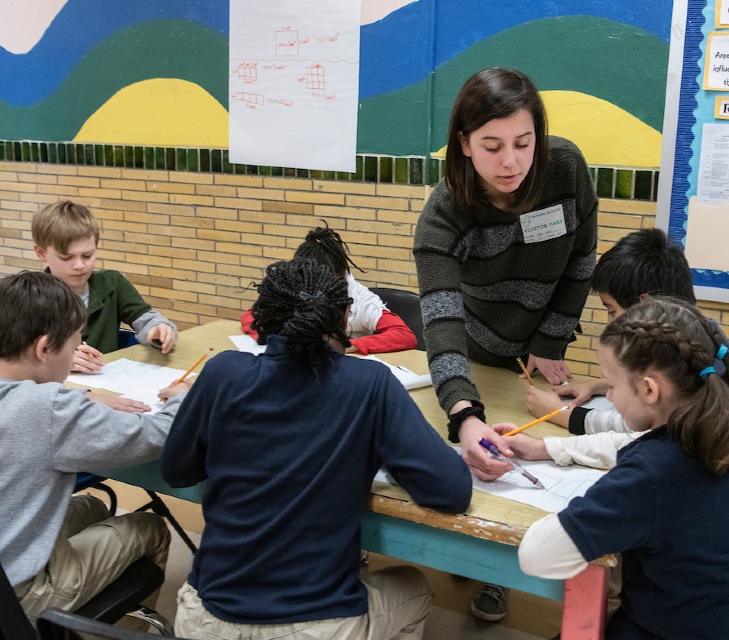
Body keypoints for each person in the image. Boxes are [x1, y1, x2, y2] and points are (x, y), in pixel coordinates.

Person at [162, 258, 471, 640]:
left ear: (261, 315)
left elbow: (177, 471)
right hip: (316, 625)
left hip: (206, 619)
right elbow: (452, 492)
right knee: (414, 587)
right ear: (345, 315)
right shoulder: (371, 384)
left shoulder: (222, 372)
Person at [412, 67, 598, 619]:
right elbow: (440, 321)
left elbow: (583, 257)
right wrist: (464, 413)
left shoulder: (564, 167)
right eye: (491, 146)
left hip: (543, 348)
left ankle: (510, 569)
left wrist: (551, 338)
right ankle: (481, 566)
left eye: (523, 142)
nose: (511, 162)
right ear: (464, 143)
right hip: (475, 345)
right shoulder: (443, 217)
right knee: (486, 454)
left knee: (542, 460)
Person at [0, 271, 192, 635]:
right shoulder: (47, 407)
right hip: (14, 594)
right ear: (43, 347)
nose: (73, 358)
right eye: (74, 346)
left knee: (93, 506)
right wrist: (186, 401)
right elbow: (151, 436)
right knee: (148, 528)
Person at [516, 297, 729, 639]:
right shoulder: (712, 431)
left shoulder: (652, 474)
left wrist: (594, 506)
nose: (608, 396)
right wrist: (545, 448)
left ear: (650, 389)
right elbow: (629, 445)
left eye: (611, 384)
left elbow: (536, 555)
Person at [525, 228, 696, 434]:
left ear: (646, 305)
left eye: (612, 310)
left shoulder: (681, 358)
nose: (610, 323)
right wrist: (597, 386)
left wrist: (558, 412)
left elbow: (634, 432)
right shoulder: (688, 333)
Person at [32, 200, 178, 375]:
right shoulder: (27, 296)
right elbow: (15, 356)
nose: (79, 265)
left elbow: (146, 319)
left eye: (87, 255)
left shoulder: (112, 283)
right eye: (66, 257)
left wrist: (160, 329)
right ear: (41, 253)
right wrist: (58, 360)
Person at [240, 224, 417, 354]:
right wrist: (271, 335)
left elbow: (404, 335)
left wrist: (350, 345)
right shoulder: (294, 290)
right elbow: (250, 316)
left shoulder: (362, 300)